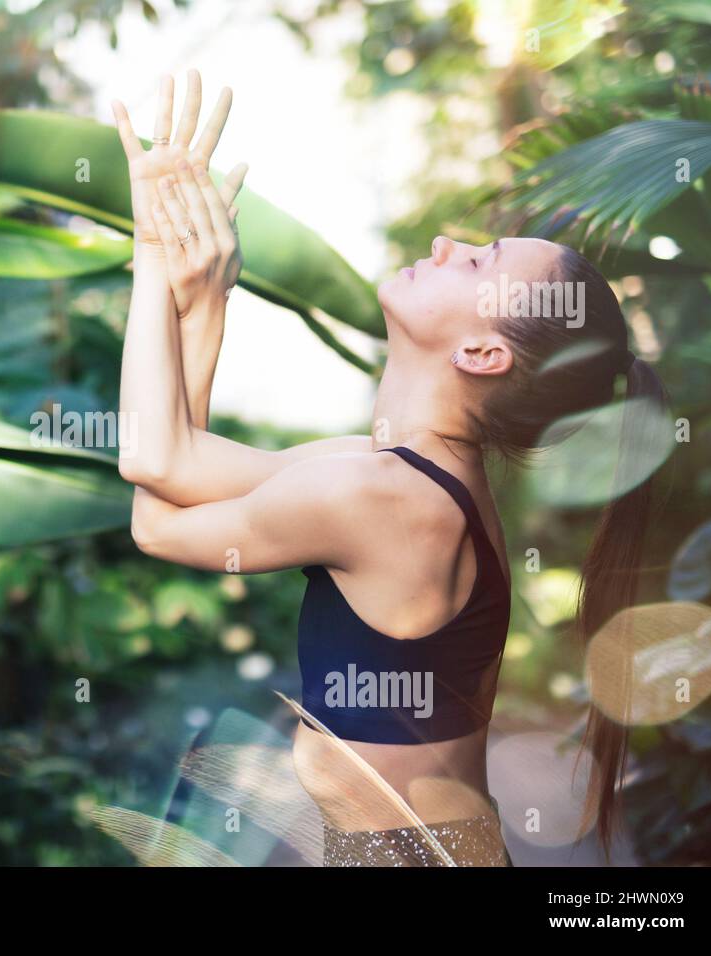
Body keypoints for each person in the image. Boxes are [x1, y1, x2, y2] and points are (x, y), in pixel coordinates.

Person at [110, 70, 667, 866]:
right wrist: (202, 303)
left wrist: (157, 263)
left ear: (481, 353)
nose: (447, 244)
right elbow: (171, 474)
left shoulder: (381, 496)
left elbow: (153, 494)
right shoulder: (382, 475)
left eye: (477, 264)